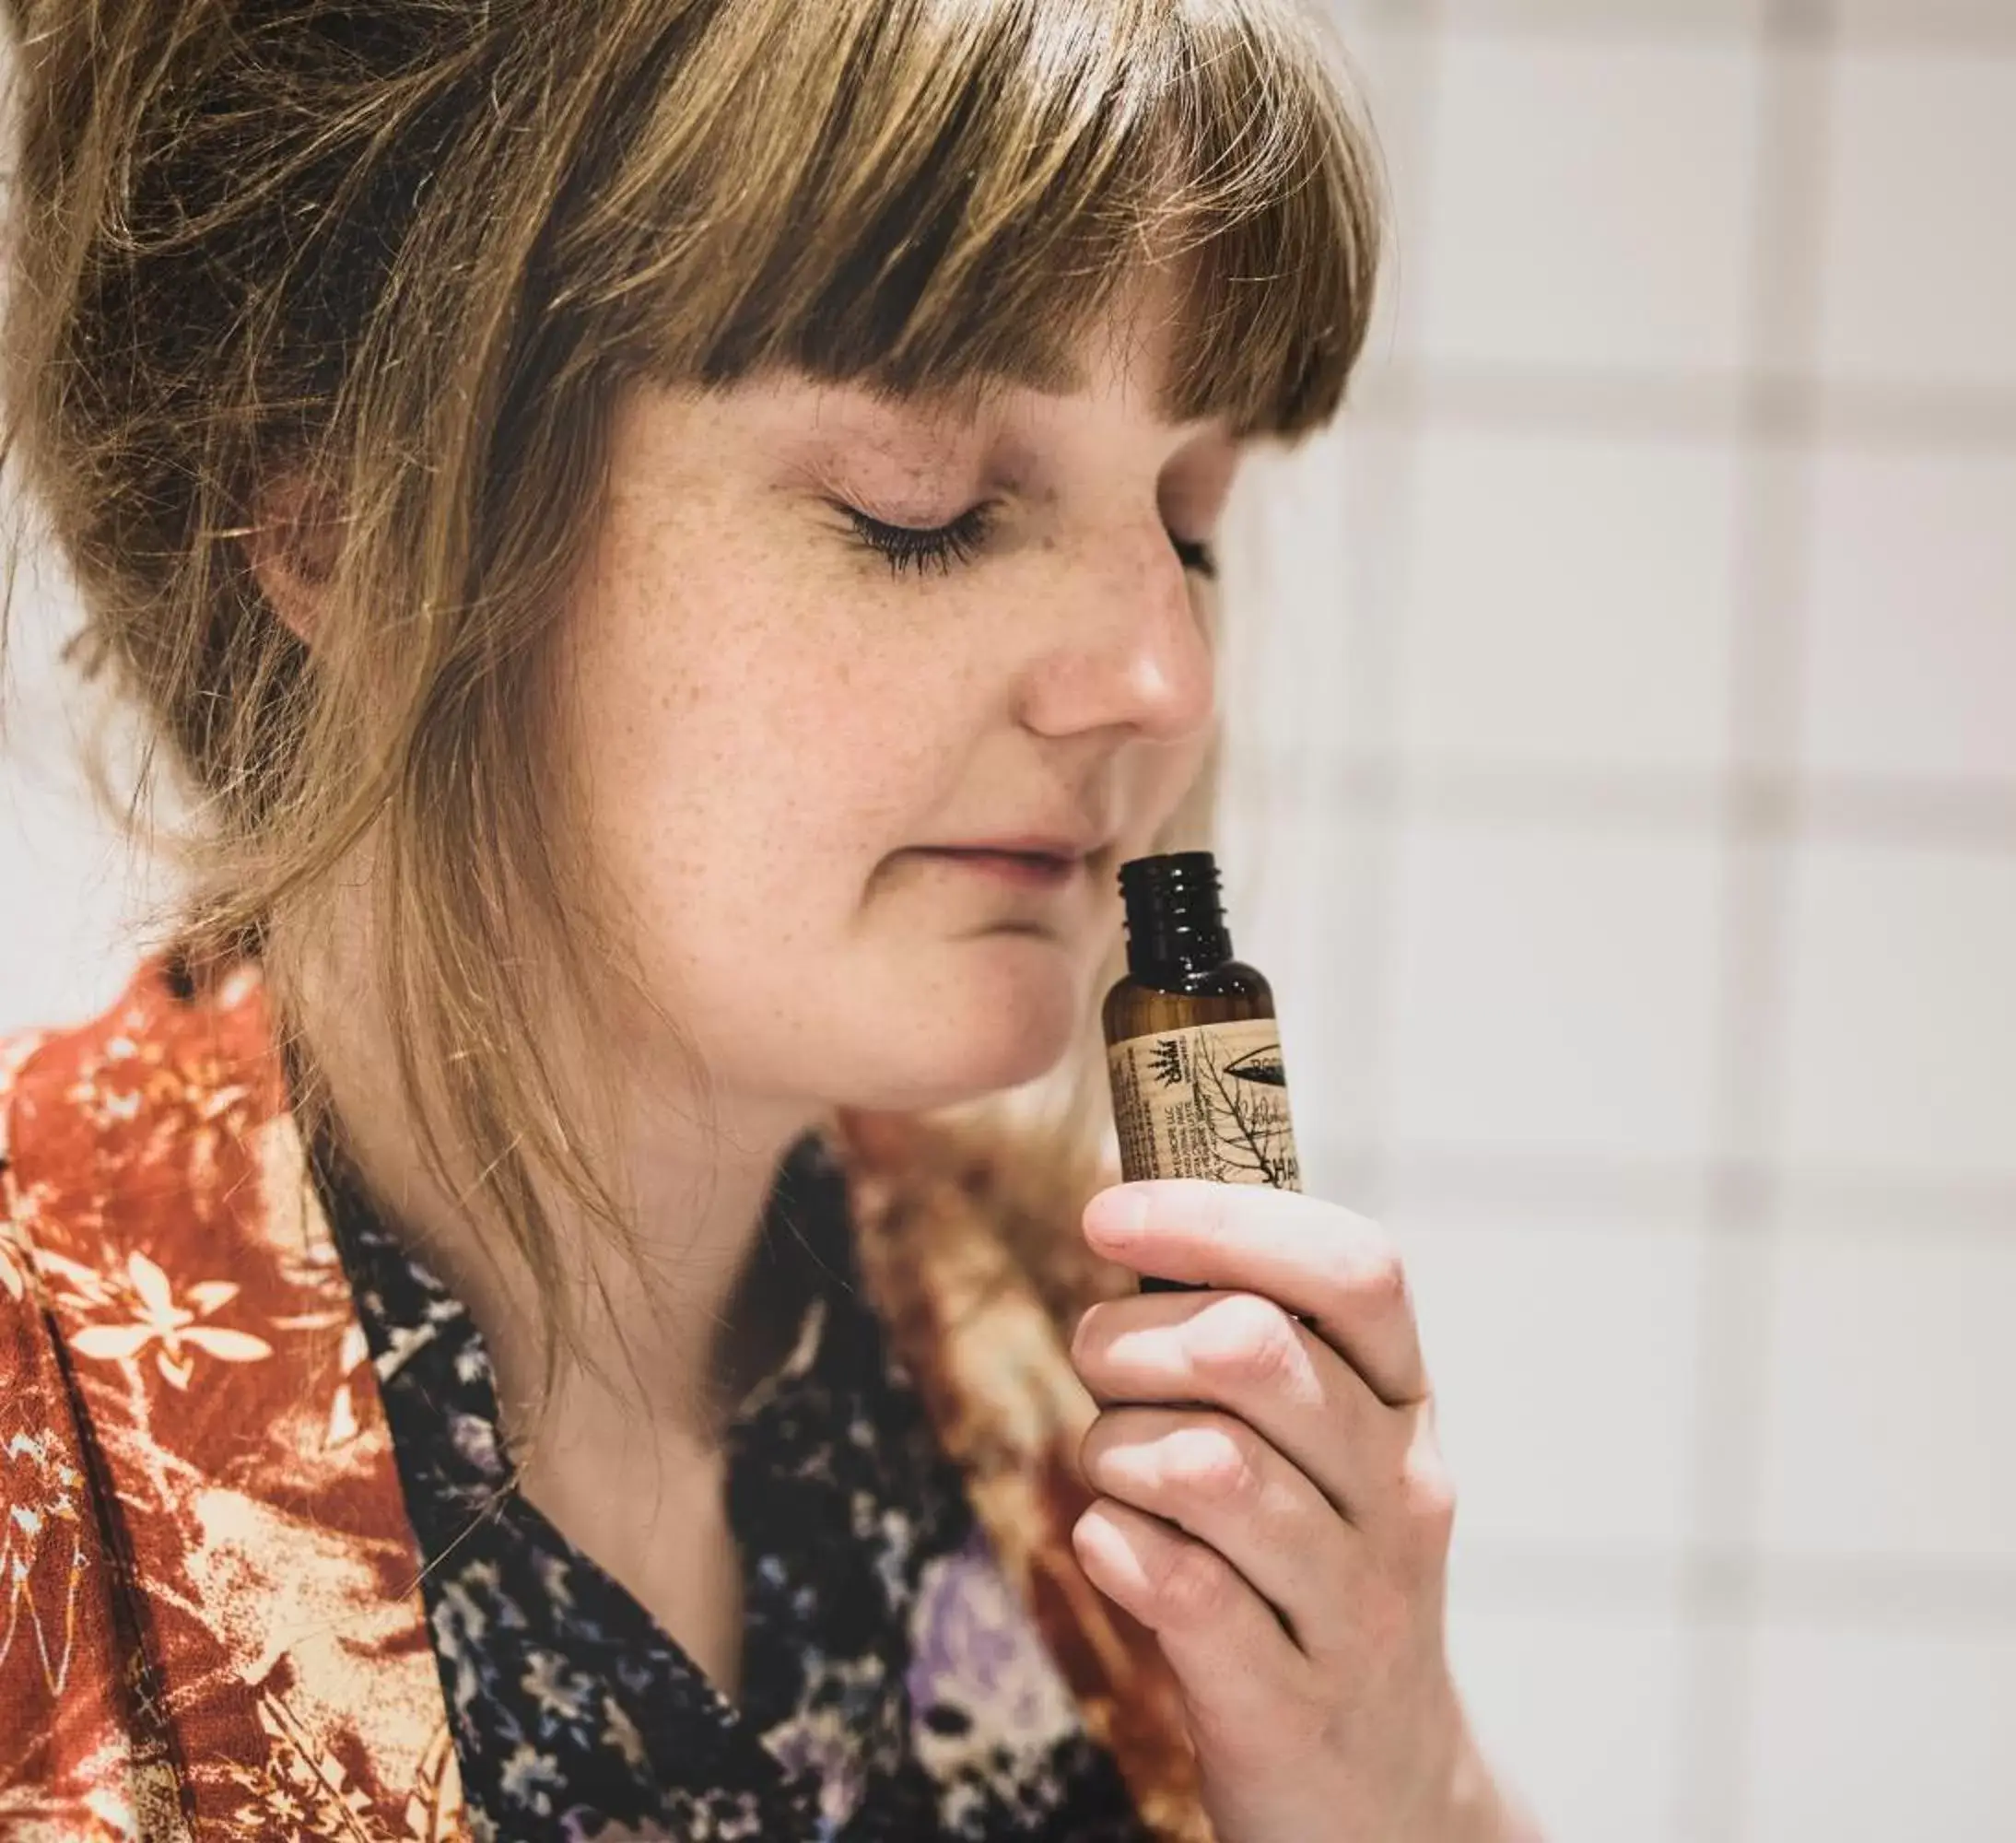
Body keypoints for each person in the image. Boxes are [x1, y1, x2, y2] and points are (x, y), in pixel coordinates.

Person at [0, 2, 1541, 1837]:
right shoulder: (43, 1430)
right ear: (342, 516)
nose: (1161, 673)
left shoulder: (1088, 1366)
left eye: (1191, 518)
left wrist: (1394, 1779)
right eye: (927, 508)